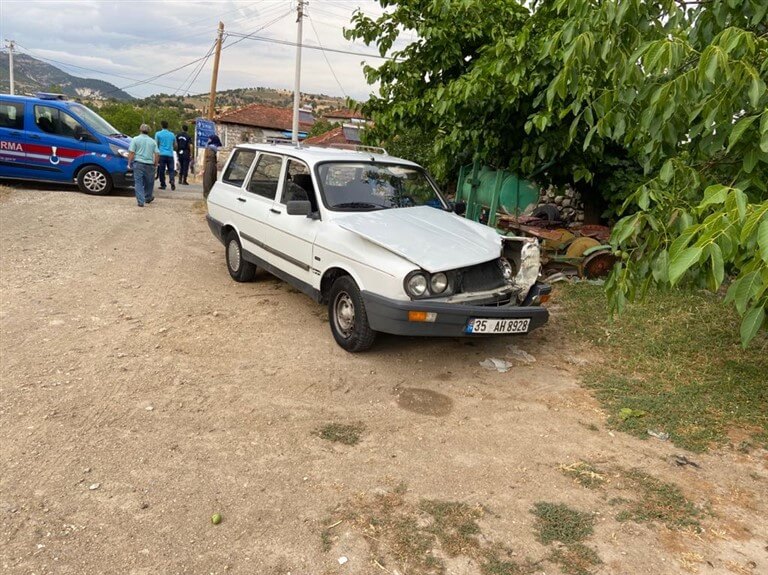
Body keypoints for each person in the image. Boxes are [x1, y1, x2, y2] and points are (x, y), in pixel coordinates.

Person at [127, 124, 159, 207]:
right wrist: (155, 164)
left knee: (138, 182)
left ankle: (140, 201)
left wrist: (129, 162)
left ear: (140, 130)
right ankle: (148, 197)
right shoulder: (152, 141)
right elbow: (157, 153)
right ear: (149, 131)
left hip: (138, 163)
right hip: (149, 164)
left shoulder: (135, 139)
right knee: (149, 182)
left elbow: (131, 152)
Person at [154, 120, 176, 191]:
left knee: (161, 170)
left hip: (162, 154)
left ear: (161, 126)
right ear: (167, 126)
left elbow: (155, 144)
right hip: (170, 154)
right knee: (171, 170)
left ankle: (163, 184)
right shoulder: (172, 134)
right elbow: (175, 144)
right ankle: (172, 180)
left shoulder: (158, 134)